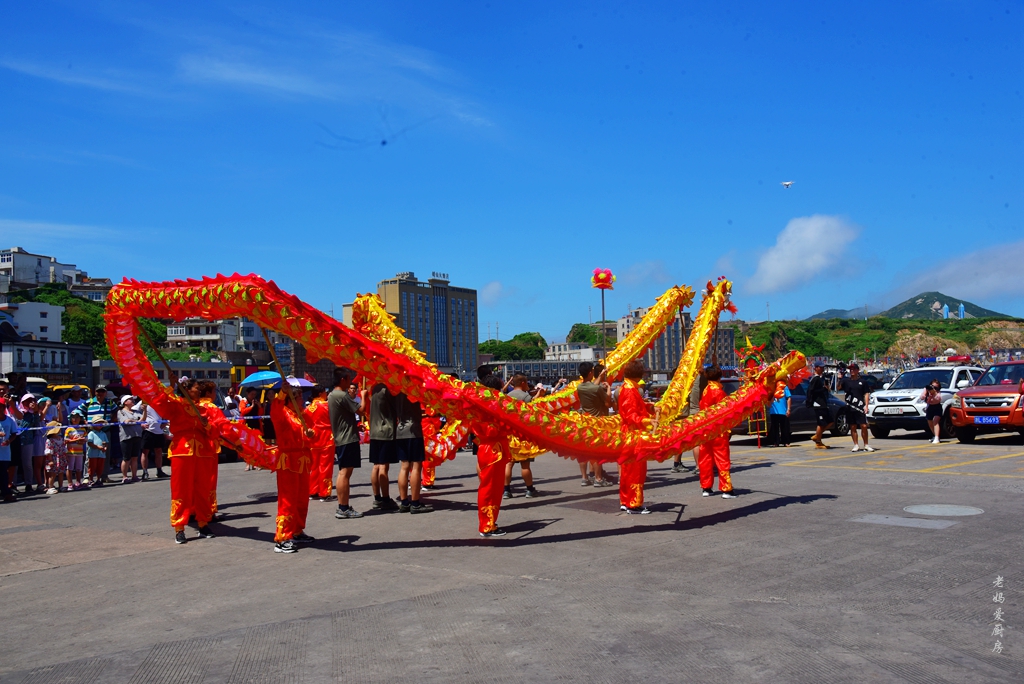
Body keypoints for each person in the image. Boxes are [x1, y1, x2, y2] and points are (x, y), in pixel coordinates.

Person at [270, 385, 315, 553]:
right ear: (291, 401)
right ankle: (282, 537)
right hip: (288, 460)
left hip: (302, 461)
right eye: (299, 398)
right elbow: (275, 409)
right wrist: (282, 393)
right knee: (288, 499)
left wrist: (311, 434)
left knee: (302, 498)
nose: (302, 400)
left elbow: (312, 431)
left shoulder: (301, 415)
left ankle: (297, 530)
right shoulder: (283, 414)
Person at [617, 360, 654, 513]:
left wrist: (650, 407)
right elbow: (631, 415)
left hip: (628, 434)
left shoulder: (627, 387)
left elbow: (635, 407)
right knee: (636, 470)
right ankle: (634, 503)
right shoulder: (630, 390)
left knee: (627, 470)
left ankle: (626, 500)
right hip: (634, 434)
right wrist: (647, 421)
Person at [476, 375, 510, 537]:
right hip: (492, 451)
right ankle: (487, 525)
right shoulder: (489, 407)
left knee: (494, 488)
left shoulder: (482, 404)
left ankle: (490, 522)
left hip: (490, 449)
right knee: (490, 489)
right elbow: (491, 431)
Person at [329, 369, 364, 519]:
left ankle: (343, 506)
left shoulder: (332, 395)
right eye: (349, 379)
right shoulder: (342, 395)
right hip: (347, 438)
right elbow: (361, 410)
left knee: (344, 472)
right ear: (342, 379)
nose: (351, 383)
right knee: (345, 473)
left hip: (342, 437)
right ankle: (343, 507)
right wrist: (364, 396)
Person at [697, 365, 735, 498]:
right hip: (718, 430)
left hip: (705, 430)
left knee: (705, 459)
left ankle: (706, 487)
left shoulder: (706, 390)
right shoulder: (719, 392)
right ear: (719, 377)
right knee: (722, 458)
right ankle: (726, 489)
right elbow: (725, 412)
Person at [394, 392, 434, 513]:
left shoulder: (395, 390)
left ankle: (404, 501)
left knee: (404, 466)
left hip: (400, 430)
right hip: (413, 430)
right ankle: (415, 503)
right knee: (416, 466)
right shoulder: (413, 389)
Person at [576, 362, 613, 487]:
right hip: (596, 422)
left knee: (583, 452)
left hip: (584, 422)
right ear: (590, 373)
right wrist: (609, 388)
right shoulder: (597, 389)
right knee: (596, 452)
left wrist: (600, 376)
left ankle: (584, 478)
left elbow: (592, 386)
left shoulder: (580, 387)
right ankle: (598, 478)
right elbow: (607, 399)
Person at [503, 374, 540, 499]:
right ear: (523, 383)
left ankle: (506, 490)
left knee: (508, 463)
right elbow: (531, 414)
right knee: (525, 465)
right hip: (522, 434)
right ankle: (529, 489)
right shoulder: (525, 397)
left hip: (510, 433)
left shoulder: (507, 396)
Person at [366, 383, 399, 511]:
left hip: (375, 430)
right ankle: (385, 498)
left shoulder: (375, 388)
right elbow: (395, 408)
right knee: (384, 466)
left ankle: (377, 497)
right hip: (385, 430)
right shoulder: (387, 389)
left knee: (376, 465)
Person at [77, 386, 117, 481]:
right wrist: (84, 420)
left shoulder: (110, 402)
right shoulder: (89, 402)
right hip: (92, 431)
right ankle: (87, 477)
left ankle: (104, 476)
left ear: (105, 393)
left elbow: (116, 411)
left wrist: (113, 419)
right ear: (95, 392)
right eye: (98, 391)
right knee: (89, 454)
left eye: (102, 391)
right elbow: (78, 410)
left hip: (105, 431)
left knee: (105, 454)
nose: (100, 393)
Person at [303, 385, 335, 501]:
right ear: (321, 393)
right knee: (325, 466)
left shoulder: (308, 408)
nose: (326, 394)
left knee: (314, 467)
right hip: (326, 438)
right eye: (325, 392)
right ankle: (324, 493)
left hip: (313, 439)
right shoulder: (327, 405)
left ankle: (313, 491)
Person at [672, 370, 704, 473]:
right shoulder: (692, 381)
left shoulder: (676, 384)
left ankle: (677, 463)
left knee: (680, 439)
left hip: (680, 413)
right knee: (695, 441)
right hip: (688, 413)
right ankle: (698, 466)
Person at [840, 363, 875, 452]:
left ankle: (866, 444)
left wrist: (866, 405)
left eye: (853, 369)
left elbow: (866, 393)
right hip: (850, 406)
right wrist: (840, 378)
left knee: (863, 425)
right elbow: (838, 387)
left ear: (857, 370)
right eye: (850, 369)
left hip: (860, 406)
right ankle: (856, 444)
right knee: (853, 426)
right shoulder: (846, 381)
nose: (852, 371)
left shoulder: (863, 382)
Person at [138, 400, 169, 479]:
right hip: (148, 430)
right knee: (145, 452)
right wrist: (141, 423)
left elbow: (165, 413)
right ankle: (145, 472)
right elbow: (136, 413)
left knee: (159, 451)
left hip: (159, 431)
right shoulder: (144, 401)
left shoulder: (160, 402)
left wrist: (165, 421)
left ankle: (159, 471)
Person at [17, 394, 42, 494]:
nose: (30, 403)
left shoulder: (33, 414)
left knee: (27, 463)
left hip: (28, 441)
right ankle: (12, 484)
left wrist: (35, 411)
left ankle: (28, 484)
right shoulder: (17, 411)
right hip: (15, 440)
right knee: (14, 464)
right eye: (28, 401)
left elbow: (37, 423)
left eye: (32, 401)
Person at [118, 395, 144, 484]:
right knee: (126, 458)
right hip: (126, 437)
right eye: (130, 399)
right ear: (125, 402)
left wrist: (145, 411)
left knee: (135, 457)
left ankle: (134, 476)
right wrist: (137, 421)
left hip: (137, 436)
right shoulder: (121, 412)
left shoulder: (136, 411)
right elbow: (126, 422)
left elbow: (143, 420)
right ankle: (125, 476)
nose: (133, 401)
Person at [807, 363, 832, 449]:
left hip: (823, 403)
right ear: (816, 368)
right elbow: (811, 391)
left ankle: (817, 436)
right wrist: (809, 402)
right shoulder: (815, 379)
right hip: (818, 403)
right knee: (821, 423)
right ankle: (818, 441)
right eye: (820, 367)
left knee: (830, 421)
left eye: (823, 367)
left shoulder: (820, 378)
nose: (822, 369)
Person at [239, 388, 262, 470]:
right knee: (247, 445)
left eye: (255, 394)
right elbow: (242, 411)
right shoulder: (243, 401)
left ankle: (256, 463)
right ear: (247, 393)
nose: (253, 396)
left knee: (256, 445)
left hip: (256, 425)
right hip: (246, 425)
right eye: (252, 394)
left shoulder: (256, 401)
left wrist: (259, 406)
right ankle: (248, 463)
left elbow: (261, 413)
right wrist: (251, 406)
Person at [0, 399, 18, 502]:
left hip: (5, 451)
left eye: (1, 406)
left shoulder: (9, 420)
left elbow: (14, 433)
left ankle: (6, 493)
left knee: (4, 473)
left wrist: (9, 441)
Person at [42, 421, 67, 494]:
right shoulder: (49, 440)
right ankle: (50, 487)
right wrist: (50, 460)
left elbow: (64, 448)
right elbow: (48, 451)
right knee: (52, 474)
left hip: (61, 458)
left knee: (61, 472)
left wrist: (66, 457)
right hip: (53, 459)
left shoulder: (60, 439)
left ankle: (61, 486)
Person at [64, 413, 87, 490]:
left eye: (77, 417)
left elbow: (86, 439)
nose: (75, 419)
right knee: (70, 467)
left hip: (79, 451)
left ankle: (78, 482)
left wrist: (82, 440)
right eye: (73, 417)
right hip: (71, 452)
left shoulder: (82, 429)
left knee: (79, 468)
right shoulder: (68, 429)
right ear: (70, 419)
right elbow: (66, 440)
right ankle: (70, 483)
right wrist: (76, 440)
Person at [767, 380, 792, 448]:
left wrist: (788, 409)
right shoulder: (770, 387)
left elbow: (789, 398)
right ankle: (776, 442)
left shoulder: (784, 386)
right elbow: (768, 399)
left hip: (783, 411)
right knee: (774, 428)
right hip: (774, 411)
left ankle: (786, 442)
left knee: (785, 427)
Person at [86, 417, 109, 486]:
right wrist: (97, 447)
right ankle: (90, 479)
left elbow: (106, 442)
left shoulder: (103, 433)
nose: (100, 424)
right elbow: (89, 443)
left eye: (101, 423)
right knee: (92, 467)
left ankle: (98, 479)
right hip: (93, 454)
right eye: (98, 423)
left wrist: (105, 447)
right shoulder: (91, 433)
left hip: (101, 454)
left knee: (100, 467)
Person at [921, 378, 944, 444]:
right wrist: (926, 393)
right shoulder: (926, 390)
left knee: (935, 421)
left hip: (937, 407)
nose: (933, 388)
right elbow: (922, 397)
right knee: (930, 422)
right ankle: (935, 435)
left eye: (936, 387)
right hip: (930, 407)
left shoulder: (938, 392)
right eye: (932, 386)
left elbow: (938, 399)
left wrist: (934, 393)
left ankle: (936, 438)